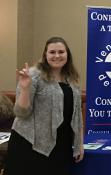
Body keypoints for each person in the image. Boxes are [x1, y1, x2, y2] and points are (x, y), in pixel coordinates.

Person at [4, 36, 84, 175]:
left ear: (67, 54)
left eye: (61, 52)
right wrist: (24, 88)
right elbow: (21, 113)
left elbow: (77, 117)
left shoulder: (72, 78)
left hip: (61, 145)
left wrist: (79, 144)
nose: (57, 56)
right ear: (45, 55)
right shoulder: (33, 75)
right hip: (31, 144)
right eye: (52, 52)